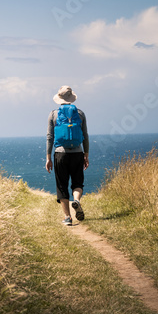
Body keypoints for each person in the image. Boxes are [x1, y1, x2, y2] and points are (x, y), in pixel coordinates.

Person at [46, 86, 89, 225]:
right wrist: (86, 155)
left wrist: (48, 158)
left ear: (59, 99)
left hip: (60, 154)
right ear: (71, 99)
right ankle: (76, 201)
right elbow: (85, 136)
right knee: (77, 182)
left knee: (62, 186)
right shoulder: (80, 114)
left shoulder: (53, 114)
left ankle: (68, 218)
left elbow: (50, 137)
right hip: (77, 153)